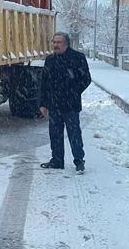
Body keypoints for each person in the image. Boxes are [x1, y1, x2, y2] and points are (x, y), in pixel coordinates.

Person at [39, 32, 91, 173]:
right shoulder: (50, 60)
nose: (56, 45)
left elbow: (86, 79)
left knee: (74, 134)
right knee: (55, 134)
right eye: (54, 42)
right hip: (54, 105)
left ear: (66, 43)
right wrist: (43, 104)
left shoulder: (77, 58)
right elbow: (44, 83)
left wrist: (73, 92)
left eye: (59, 42)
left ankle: (79, 161)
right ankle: (57, 160)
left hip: (71, 104)